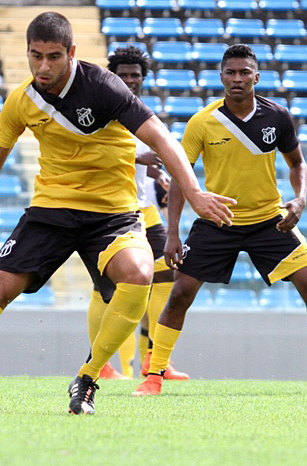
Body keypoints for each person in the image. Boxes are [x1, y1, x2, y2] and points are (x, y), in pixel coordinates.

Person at [0, 12, 235, 416]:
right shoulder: (22, 100)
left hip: (112, 214)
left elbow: (161, 137)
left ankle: (88, 378)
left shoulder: (105, 87)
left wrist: (196, 193)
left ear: (71, 53)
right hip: (51, 211)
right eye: (35, 55)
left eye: (54, 57)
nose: (43, 66)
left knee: (139, 274)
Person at [133, 44, 307, 397]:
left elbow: (298, 164)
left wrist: (300, 199)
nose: (237, 78)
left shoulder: (276, 117)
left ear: (256, 77)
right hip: (219, 221)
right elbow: (181, 176)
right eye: (230, 72)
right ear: (221, 77)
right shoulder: (203, 121)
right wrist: (172, 233)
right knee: (180, 293)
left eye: (244, 72)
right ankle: (154, 376)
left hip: (269, 220)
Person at [95, 46, 189, 381]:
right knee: (105, 288)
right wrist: (140, 159)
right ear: (113, 76)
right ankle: (103, 364)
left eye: (136, 75)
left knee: (169, 270)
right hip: (109, 208)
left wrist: (158, 178)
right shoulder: (100, 106)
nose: (131, 80)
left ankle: (153, 358)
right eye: (124, 74)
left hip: (143, 206)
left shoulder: (142, 112)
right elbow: (93, 151)